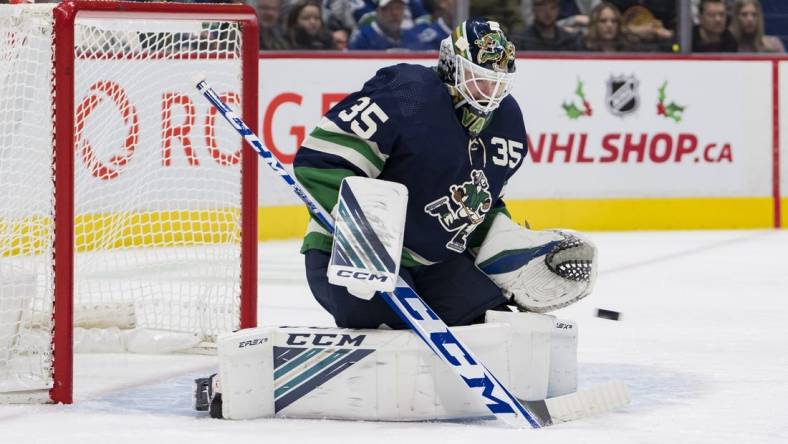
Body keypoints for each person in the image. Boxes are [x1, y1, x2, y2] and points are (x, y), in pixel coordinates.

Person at [294, 19, 525, 329]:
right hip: (349, 254)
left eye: (497, 82)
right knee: (394, 332)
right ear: (451, 67)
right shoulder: (408, 94)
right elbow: (322, 160)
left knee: (495, 324)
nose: (489, 92)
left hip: (436, 263)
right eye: (478, 79)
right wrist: (361, 231)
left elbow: (482, 210)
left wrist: (520, 256)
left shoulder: (507, 121)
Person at [514, 0, 583, 51]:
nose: (548, 13)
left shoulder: (569, 40)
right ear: (534, 9)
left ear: (558, 9)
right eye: (542, 7)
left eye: (553, 7)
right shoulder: (520, 39)